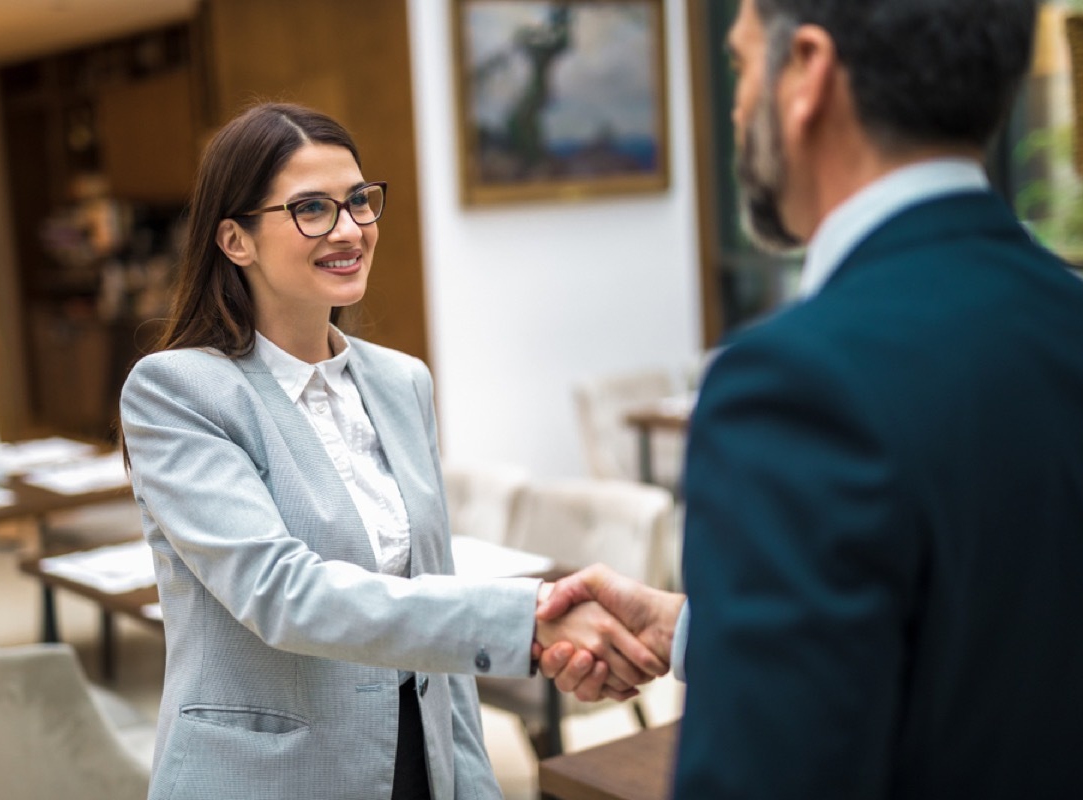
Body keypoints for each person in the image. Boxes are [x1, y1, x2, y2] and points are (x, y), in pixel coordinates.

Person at [539, 0, 1083, 796]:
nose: (735, 107)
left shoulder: (791, 387)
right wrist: (698, 628)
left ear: (807, 72)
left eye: (739, 64)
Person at [119, 102, 664, 800]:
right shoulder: (178, 392)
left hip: (416, 760)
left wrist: (473, 782)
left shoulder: (401, 381)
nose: (349, 230)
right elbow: (285, 593)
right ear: (235, 240)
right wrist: (525, 618)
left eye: (358, 203)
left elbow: (429, 597)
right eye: (311, 209)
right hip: (270, 777)